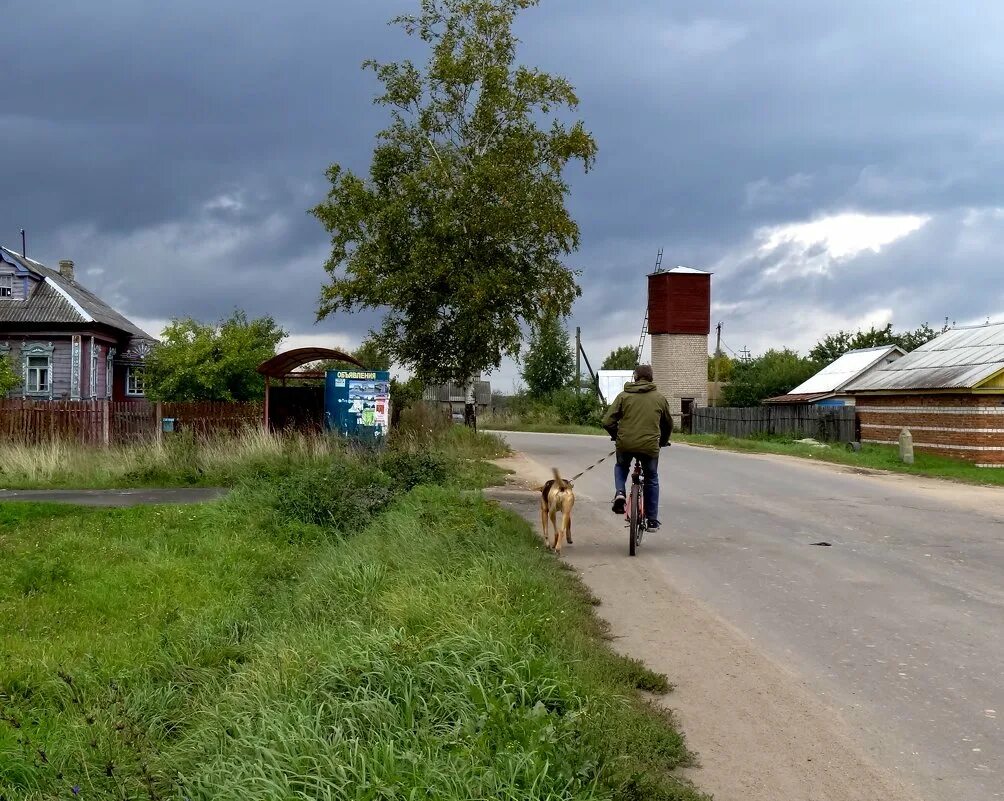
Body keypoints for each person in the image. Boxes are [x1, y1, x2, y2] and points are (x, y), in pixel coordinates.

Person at [601, 365, 673, 530]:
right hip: (649, 446)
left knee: (621, 466)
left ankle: (620, 492)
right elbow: (668, 425)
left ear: (635, 377)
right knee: (651, 477)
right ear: (651, 378)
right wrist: (663, 441)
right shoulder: (660, 399)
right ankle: (653, 520)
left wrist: (616, 434)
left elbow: (607, 421)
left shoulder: (623, 396)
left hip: (625, 444)